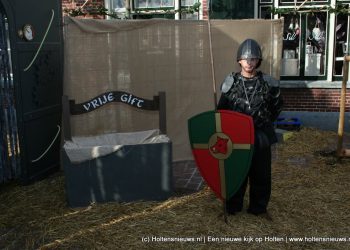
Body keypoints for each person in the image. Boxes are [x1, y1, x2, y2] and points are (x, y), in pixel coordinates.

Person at [217, 38, 283, 218]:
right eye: (246, 59)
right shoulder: (231, 83)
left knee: (261, 174)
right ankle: (232, 206)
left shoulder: (269, 83)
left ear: (258, 61)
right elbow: (221, 110)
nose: (249, 62)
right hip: (236, 136)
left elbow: (276, 108)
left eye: (253, 59)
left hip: (260, 135)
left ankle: (259, 208)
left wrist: (261, 123)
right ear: (239, 60)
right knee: (236, 172)